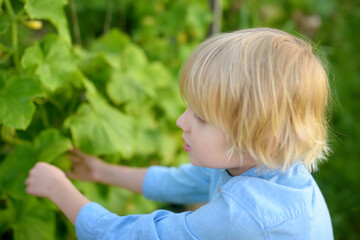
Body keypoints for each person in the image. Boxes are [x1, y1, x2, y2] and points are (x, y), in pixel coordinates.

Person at [25, 28, 334, 239]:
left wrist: (57, 189)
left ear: (260, 136)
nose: (180, 121)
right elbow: (181, 183)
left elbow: (125, 236)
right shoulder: (260, 162)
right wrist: (100, 171)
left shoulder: (245, 214)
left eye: (200, 117)